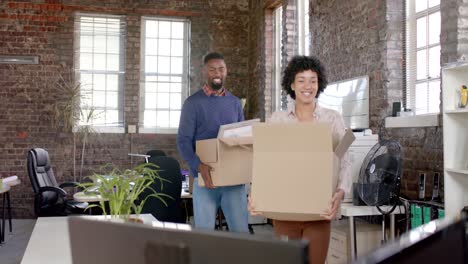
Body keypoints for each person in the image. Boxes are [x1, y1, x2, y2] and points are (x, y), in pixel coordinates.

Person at [249, 55, 352, 264]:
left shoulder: (332, 119)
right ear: (292, 84)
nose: (308, 86)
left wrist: (340, 193)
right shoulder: (278, 120)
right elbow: (266, 162)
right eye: (302, 80)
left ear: (319, 84)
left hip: (319, 212)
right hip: (285, 212)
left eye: (313, 80)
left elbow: (345, 160)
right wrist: (257, 194)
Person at [177, 52, 249, 233]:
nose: (217, 73)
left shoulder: (234, 103)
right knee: (205, 238)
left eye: (221, 69)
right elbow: (183, 140)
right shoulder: (192, 104)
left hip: (234, 183)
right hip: (205, 179)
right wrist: (198, 166)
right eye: (212, 69)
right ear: (205, 72)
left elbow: (241, 138)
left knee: (241, 236)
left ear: (226, 71)